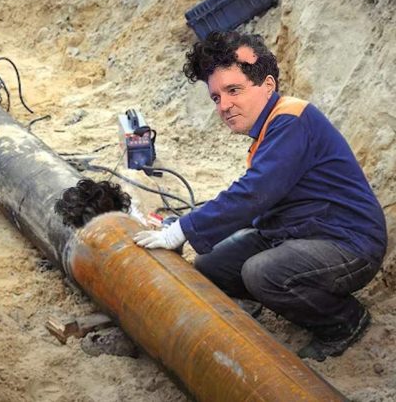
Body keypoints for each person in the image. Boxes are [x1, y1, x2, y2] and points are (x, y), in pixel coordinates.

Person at [133, 31, 387, 362]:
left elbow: (253, 194)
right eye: (216, 97)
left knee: (262, 272)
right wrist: (195, 227)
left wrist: (182, 230)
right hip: (299, 231)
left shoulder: (291, 121)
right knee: (211, 265)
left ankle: (344, 321)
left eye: (233, 90)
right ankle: (265, 302)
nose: (224, 106)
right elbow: (257, 200)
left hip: (348, 242)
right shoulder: (269, 130)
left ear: (267, 85)